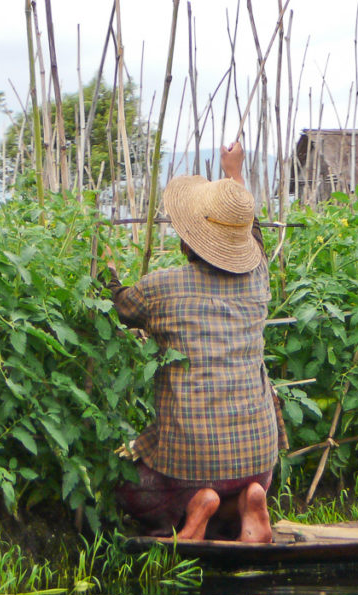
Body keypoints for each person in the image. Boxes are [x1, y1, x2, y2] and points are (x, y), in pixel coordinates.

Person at [103, 142, 287, 543]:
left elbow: (121, 306)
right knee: (241, 477)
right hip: (258, 458)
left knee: (124, 480)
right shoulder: (258, 277)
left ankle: (195, 506)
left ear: (189, 240)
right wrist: (233, 173)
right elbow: (248, 229)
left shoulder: (162, 287)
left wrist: (108, 270)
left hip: (191, 461)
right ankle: (250, 501)